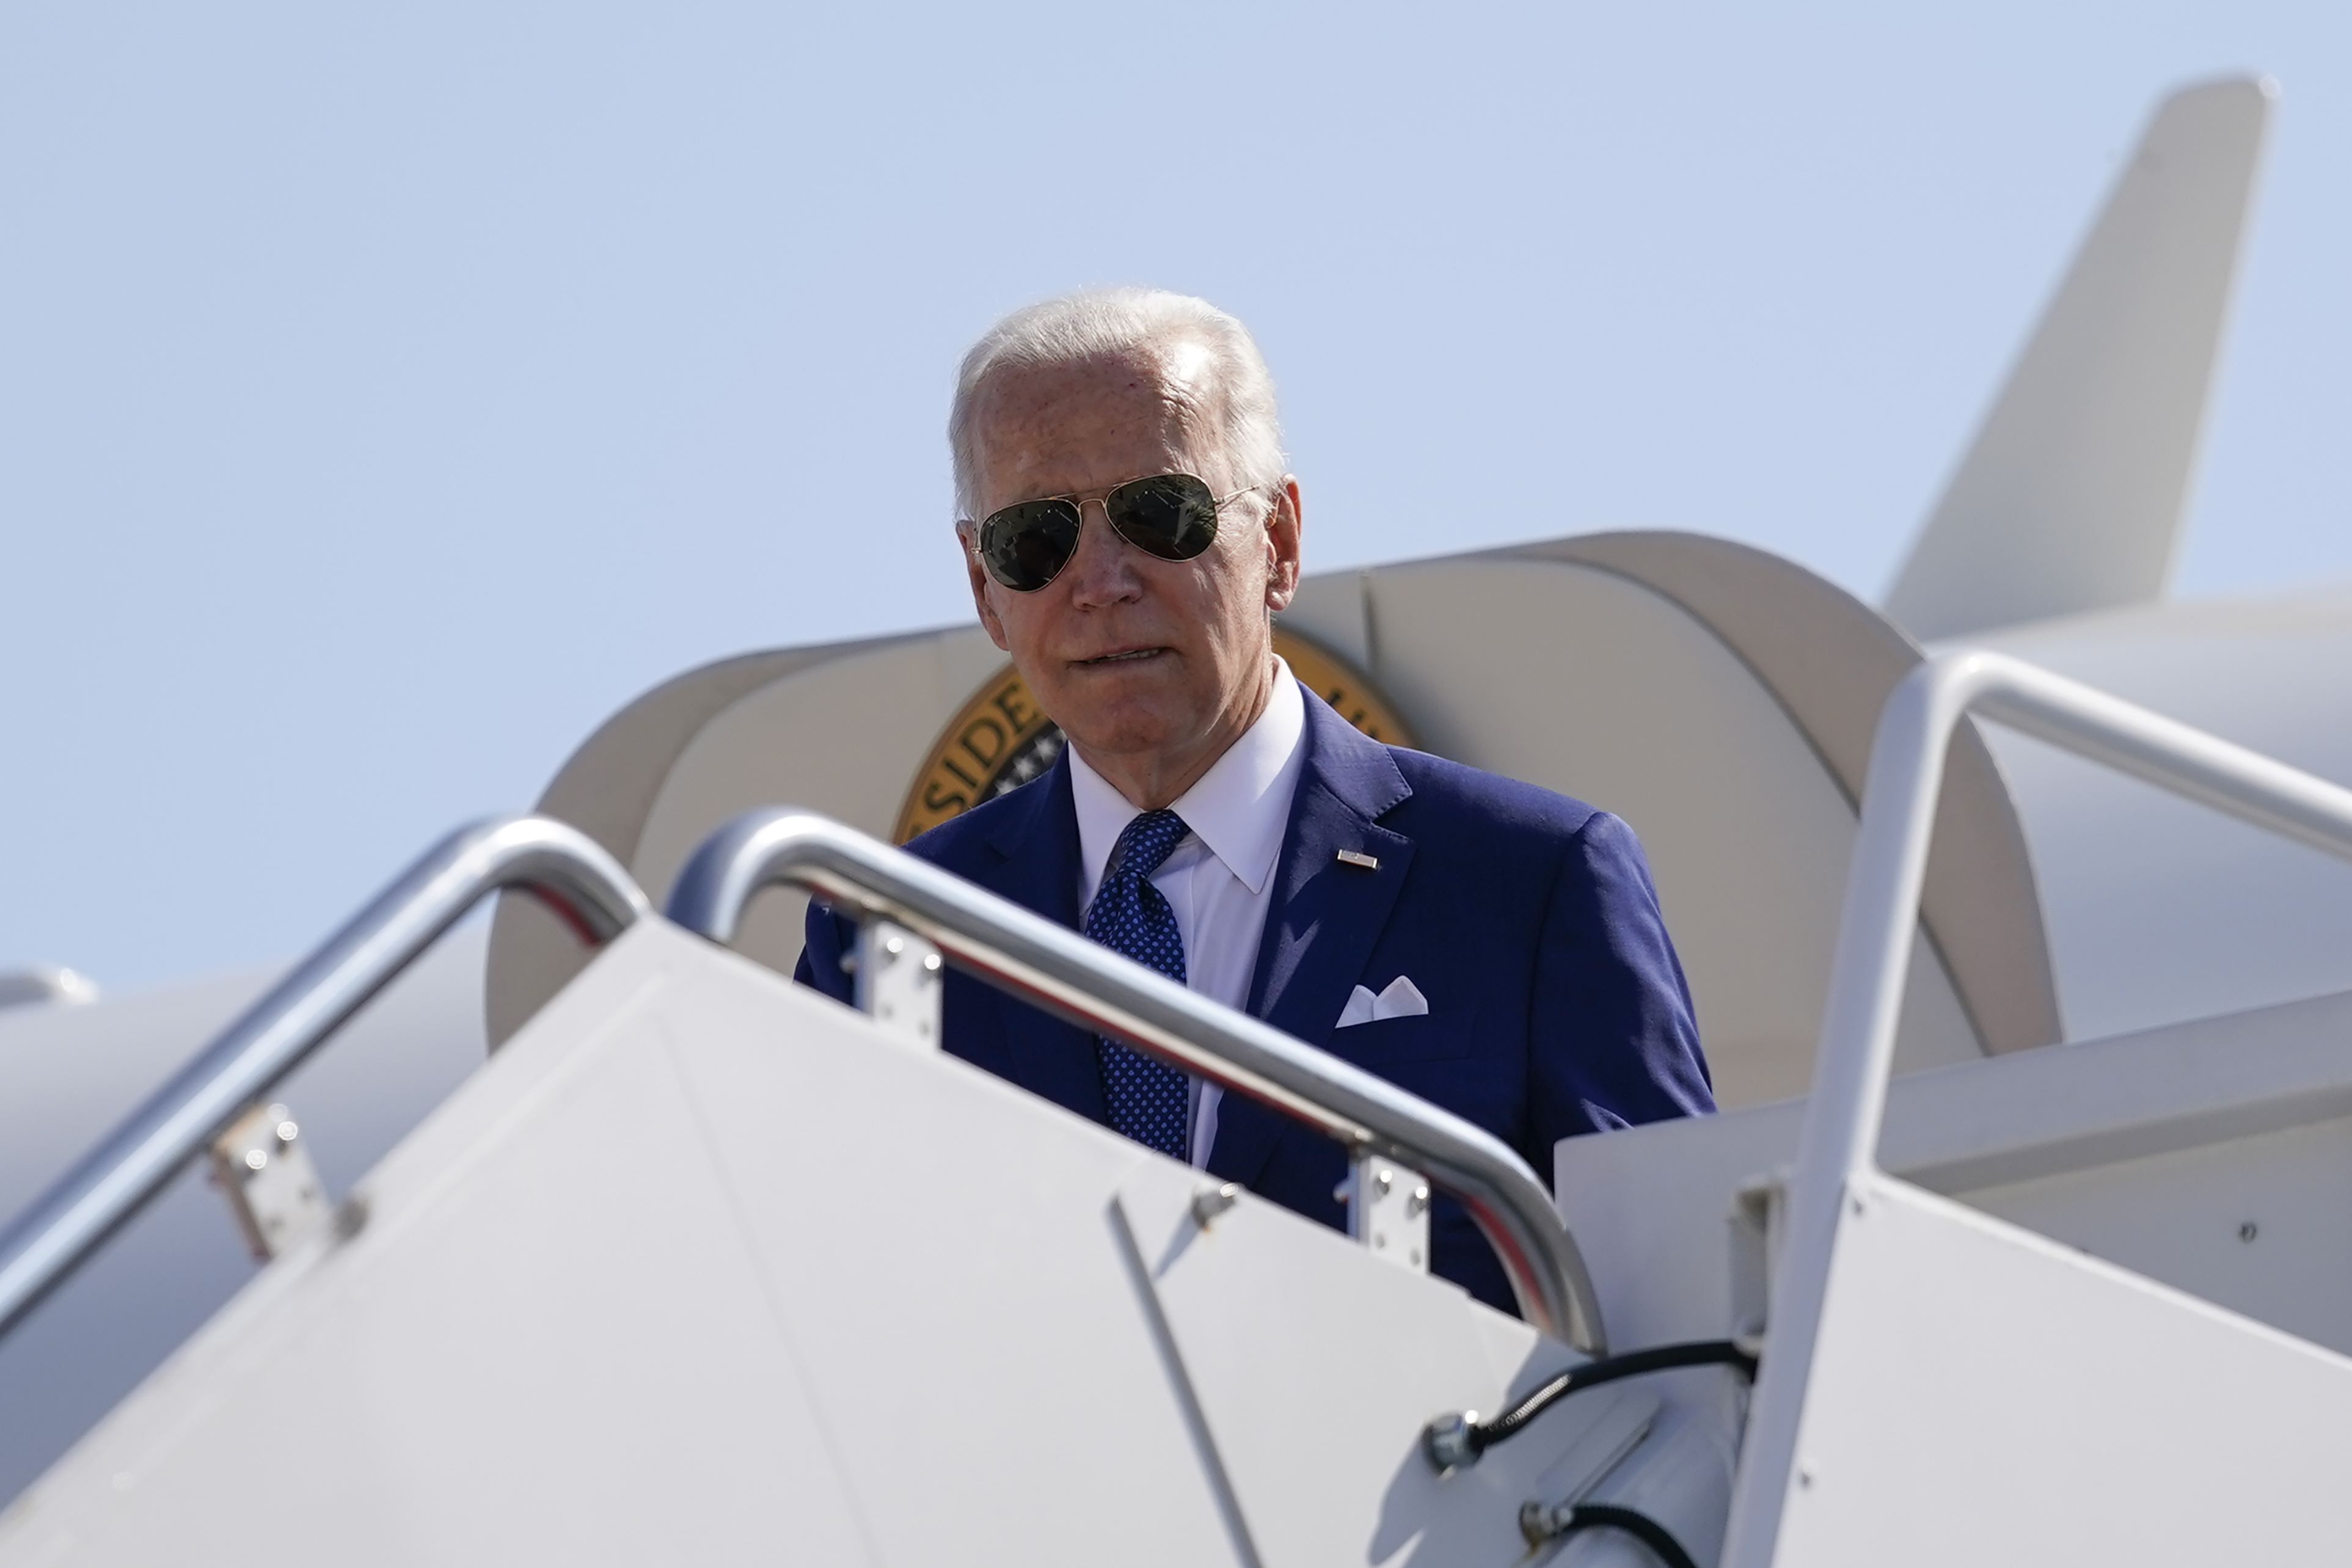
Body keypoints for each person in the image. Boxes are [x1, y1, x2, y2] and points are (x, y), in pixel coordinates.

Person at [800, 288, 1712, 1313]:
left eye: (1160, 513)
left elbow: (1671, 1333)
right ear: (983, 588)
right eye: (1034, 539)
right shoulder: (885, 940)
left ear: (1276, 539)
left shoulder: (1532, 885)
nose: (1099, 581)